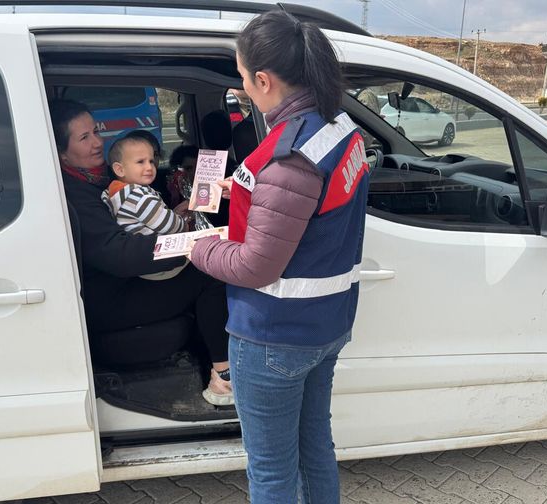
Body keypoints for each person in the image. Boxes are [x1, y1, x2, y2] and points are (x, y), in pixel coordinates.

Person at [189, 10, 370, 503]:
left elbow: (255, 266)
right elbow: (314, 206)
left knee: (271, 472)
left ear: (264, 80)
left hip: (274, 335)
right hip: (325, 325)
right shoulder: (337, 128)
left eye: (244, 79)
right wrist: (246, 189)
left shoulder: (289, 155)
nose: (243, 88)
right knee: (315, 452)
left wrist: (198, 245)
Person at [49, 99, 233, 406]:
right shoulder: (75, 194)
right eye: (84, 138)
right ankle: (224, 381)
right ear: (61, 152)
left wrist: (179, 219)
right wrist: (194, 244)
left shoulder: (94, 179)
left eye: (96, 131)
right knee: (209, 270)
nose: (98, 142)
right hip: (111, 299)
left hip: (125, 283)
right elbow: (118, 254)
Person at [102, 134, 188, 281]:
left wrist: (171, 213)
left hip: (141, 265)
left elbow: (151, 218)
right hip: (161, 263)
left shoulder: (113, 194)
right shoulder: (138, 196)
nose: (149, 167)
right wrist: (183, 222)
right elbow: (170, 226)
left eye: (151, 161)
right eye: (140, 162)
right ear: (120, 170)